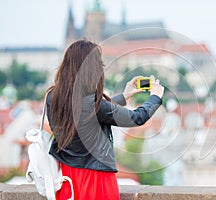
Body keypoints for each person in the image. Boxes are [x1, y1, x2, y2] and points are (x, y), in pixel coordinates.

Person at [45, 39, 164, 200]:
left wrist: (125, 95)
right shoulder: (92, 104)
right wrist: (155, 98)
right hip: (96, 179)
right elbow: (136, 117)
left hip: (68, 177)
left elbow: (94, 112)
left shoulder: (53, 96)